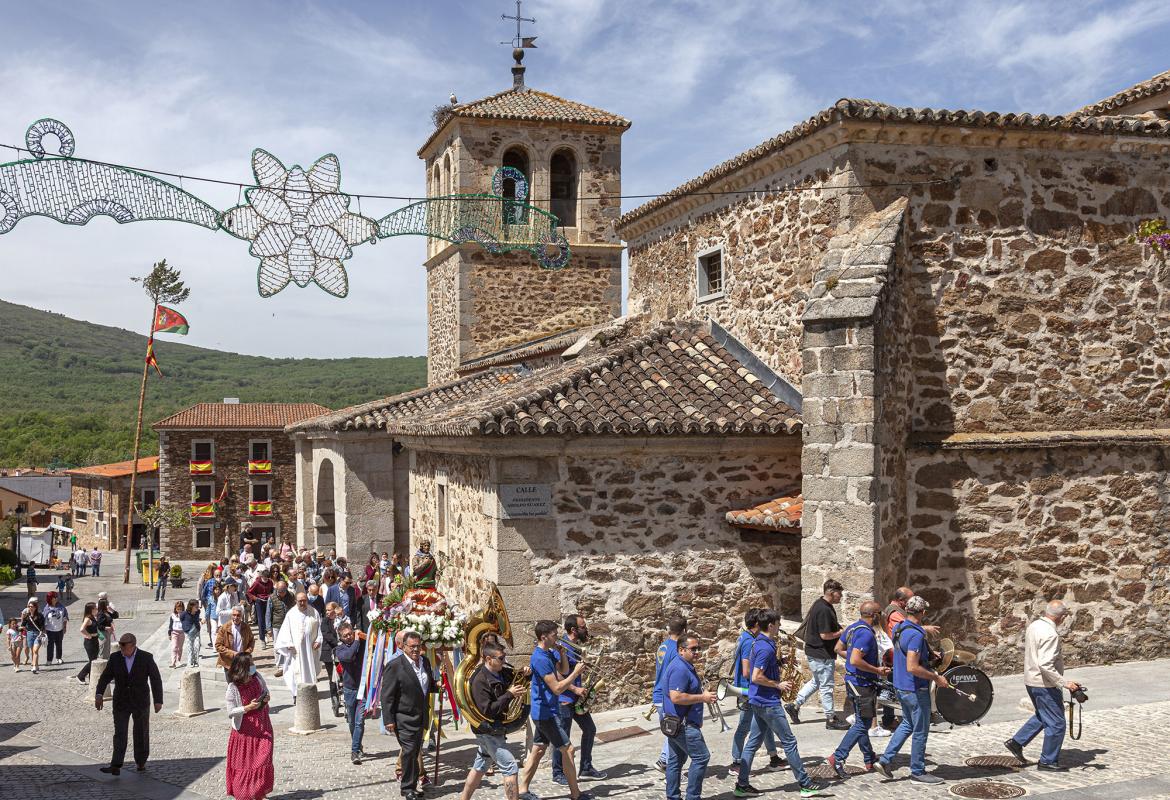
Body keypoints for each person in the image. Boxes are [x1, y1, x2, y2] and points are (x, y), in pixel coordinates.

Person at [734, 609, 823, 797]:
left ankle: (742, 785)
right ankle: (805, 784)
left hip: (758, 700)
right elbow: (756, 676)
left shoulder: (760, 642)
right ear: (771, 625)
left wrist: (779, 662)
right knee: (789, 742)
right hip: (768, 702)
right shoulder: (765, 647)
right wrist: (778, 684)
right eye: (778, 624)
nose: (780, 626)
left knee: (752, 744)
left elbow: (759, 667)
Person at [873, 595, 948, 784]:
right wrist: (936, 677)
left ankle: (885, 760)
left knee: (907, 723)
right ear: (922, 612)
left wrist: (929, 653)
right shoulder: (915, 634)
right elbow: (912, 667)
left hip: (900, 685)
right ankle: (918, 771)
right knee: (921, 729)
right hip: (914, 688)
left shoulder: (900, 627)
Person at [517, 620, 592, 800]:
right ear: (544, 637)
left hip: (546, 711)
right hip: (546, 713)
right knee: (568, 750)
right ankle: (575, 794)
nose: (557, 637)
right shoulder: (540, 658)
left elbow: (563, 670)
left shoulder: (549, 653)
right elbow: (557, 688)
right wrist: (576, 673)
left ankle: (522, 790)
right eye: (554, 635)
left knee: (538, 750)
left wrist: (563, 654)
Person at [1005, 600, 1080, 771]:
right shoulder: (1051, 634)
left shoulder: (1035, 626)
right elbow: (1045, 664)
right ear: (1062, 617)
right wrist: (1064, 683)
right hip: (1044, 683)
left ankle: (1017, 742)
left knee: (1044, 714)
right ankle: (1047, 761)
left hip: (1031, 679)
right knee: (1057, 723)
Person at [459, 639, 527, 800]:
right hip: (487, 729)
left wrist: (525, 674)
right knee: (510, 767)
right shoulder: (479, 681)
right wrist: (509, 694)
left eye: (504, 657)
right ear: (489, 659)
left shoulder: (502, 671)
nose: (504, 661)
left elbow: (516, 679)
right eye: (501, 658)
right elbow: (487, 711)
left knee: (480, 766)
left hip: (495, 728)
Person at [828, 600, 889, 777]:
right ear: (875, 615)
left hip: (853, 682)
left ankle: (869, 758)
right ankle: (837, 757)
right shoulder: (866, 634)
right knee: (863, 723)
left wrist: (855, 659)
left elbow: (838, 648)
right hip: (862, 684)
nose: (882, 616)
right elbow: (855, 660)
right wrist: (876, 669)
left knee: (861, 722)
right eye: (881, 613)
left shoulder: (852, 628)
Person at [95, 633, 164, 776]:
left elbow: (155, 679)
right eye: (120, 645)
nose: (121, 648)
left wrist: (158, 700)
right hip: (121, 701)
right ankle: (116, 765)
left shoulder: (146, 657)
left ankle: (141, 762)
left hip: (140, 701)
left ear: (133, 645)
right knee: (120, 732)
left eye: (124, 645)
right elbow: (106, 676)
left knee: (141, 732)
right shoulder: (115, 658)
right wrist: (99, 694)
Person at [381, 631, 439, 800]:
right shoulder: (395, 665)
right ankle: (407, 789)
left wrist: (437, 685)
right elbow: (387, 695)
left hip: (421, 715)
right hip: (403, 717)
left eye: (418, 646)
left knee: (414, 752)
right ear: (404, 647)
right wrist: (388, 719)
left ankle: (412, 786)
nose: (415, 649)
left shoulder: (425, 662)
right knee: (409, 751)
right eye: (412, 646)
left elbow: (425, 685)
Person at [786, 580, 848, 730]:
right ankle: (831, 719)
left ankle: (794, 705)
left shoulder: (820, 604)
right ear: (832, 593)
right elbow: (825, 635)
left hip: (816, 651)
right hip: (822, 653)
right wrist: (842, 632)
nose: (841, 597)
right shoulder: (824, 610)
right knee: (826, 686)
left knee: (817, 682)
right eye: (839, 593)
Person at [552, 614, 607, 784]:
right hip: (564, 699)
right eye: (583, 627)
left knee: (590, 729)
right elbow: (557, 675)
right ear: (574, 630)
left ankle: (585, 767)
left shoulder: (575, 647)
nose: (586, 629)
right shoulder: (562, 647)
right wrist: (575, 688)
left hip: (576, 698)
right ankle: (558, 773)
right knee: (562, 738)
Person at [662, 633, 715, 800]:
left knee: (676, 761)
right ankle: (692, 796)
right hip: (683, 725)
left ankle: (673, 797)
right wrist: (703, 697)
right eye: (693, 649)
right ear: (681, 650)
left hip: (675, 723)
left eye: (698, 648)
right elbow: (676, 697)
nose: (697, 652)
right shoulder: (680, 668)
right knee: (701, 757)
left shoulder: (683, 664)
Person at [730, 609, 782, 769]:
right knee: (744, 726)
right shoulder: (749, 642)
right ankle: (737, 762)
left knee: (764, 724)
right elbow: (747, 672)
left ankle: (773, 757)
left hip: (751, 690)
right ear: (758, 624)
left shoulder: (745, 637)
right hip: (748, 690)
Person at [224, 653, 275, 800]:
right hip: (245, 731)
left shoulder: (257, 677)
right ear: (242, 668)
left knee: (264, 758)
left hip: (263, 725)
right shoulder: (233, 687)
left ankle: (258, 792)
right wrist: (247, 707)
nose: (253, 666)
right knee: (246, 764)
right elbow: (230, 711)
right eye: (251, 663)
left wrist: (266, 698)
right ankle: (245, 795)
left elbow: (266, 691)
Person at [652, 615, 688, 772]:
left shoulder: (663, 646)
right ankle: (665, 762)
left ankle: (665, 761)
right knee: (675, 730)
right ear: (684, 630)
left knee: (671, 730)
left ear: (669, 629)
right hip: (668, 697)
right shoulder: (677, 650)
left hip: (658, 694)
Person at [273, 592, 322, 698]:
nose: (302, 603)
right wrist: (289, 643)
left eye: (304, 600)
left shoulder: (314, 612)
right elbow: (286, 631)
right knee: (295, 671)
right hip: (296, 650)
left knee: (310, 669)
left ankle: (310, 691)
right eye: (300, 601)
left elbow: (319, 629)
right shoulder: (291, 614)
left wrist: (318, 640)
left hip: (310, 649)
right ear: (296, 601)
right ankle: (297, 694)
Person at [334, 621, 368, 764]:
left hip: (363, 689)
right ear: (341, 638)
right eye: (345, 636)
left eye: (350, 634)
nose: (348, 637)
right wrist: (355, 641)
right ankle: (357, 743)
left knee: (359, 721)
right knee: (352, 722)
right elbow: (348, 656)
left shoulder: (361, 644)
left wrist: (361, 637)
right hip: (349, 690)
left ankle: (354, 752)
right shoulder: (339, 649)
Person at [216, 606, 256, 682]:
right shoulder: (224, 628)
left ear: (242, 616)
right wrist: (233, 654)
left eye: (238, 615)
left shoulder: (246, 627)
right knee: (231, 686)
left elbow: (252, 641)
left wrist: (246, 653)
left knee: (242, 685)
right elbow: (218, 646)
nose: (236, 617)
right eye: (234, 615)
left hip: (242, 661)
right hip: (228, 662)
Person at [247, 566, 274, 647]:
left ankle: (268, 634)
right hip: (259, 602)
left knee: (269, 618)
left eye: (267, 578)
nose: (265, 580)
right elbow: (249, 592)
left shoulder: (270, 582)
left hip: (268, 601)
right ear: (261, 576)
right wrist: (255, 599)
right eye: (264, 578)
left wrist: (271, 596)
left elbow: (272, 590)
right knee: (261, 620)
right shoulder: (257, 583)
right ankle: (262, 639)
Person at [20, 598, 46, 673]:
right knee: (33, 651)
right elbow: (23, 625)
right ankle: (36, 665)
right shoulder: (27, 616)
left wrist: (41, 632)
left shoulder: (40, 615)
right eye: (29, 606)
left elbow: (42, 626)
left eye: (32, 606)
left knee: (35, 650)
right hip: (29, 634)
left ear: (35, 607)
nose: (30, 608)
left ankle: (34, 666)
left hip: (38, 634)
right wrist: (19, 630)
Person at [43, 591, 69, 665]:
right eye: (55, 597)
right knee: (50, 646)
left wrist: (64, 627)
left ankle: (59, 658)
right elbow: (44, 619)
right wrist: (44, 630)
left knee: (59, 644)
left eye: (56, 597)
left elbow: (64, 617)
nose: (56, 598)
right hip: (49, 630)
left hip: (59, 629)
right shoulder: (47, 608)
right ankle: (49, 660)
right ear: (50, 599)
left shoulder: (61, 607)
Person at [76, 602, 99, 683]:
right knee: (93, 661)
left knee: (94, 659)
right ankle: (80, 676)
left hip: (95, 639)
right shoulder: (88, 618)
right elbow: (82, 629)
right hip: (90, 641)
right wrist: (88, 635)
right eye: (95, 608)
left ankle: (91, 678)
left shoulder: (93, 617)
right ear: (91, 609)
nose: (97, 609)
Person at [181, 600, 202, 667]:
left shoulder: (198, 612)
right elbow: (182, 619)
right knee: (190, 648)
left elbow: (197, 618)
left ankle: (195, 661)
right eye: (196, 607)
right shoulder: (184, 613)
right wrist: (186, 627)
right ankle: (189, 662)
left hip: (196, 632)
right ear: (191, 606)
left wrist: (201, 620)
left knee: (197, 646)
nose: (197, 608)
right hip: (189, 633)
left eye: (198, 606)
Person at [166, 600, 186, 668]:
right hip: (174, 632)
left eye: (180, 609)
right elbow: (170, 625)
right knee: (174, 647)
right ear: (175, 608)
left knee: (180, 648)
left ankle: (178, 660)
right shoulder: (173, 615)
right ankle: (173, 662)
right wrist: (169, 634)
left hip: (182, 632)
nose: (179, 610)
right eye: (178, 609)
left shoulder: (184, 615)